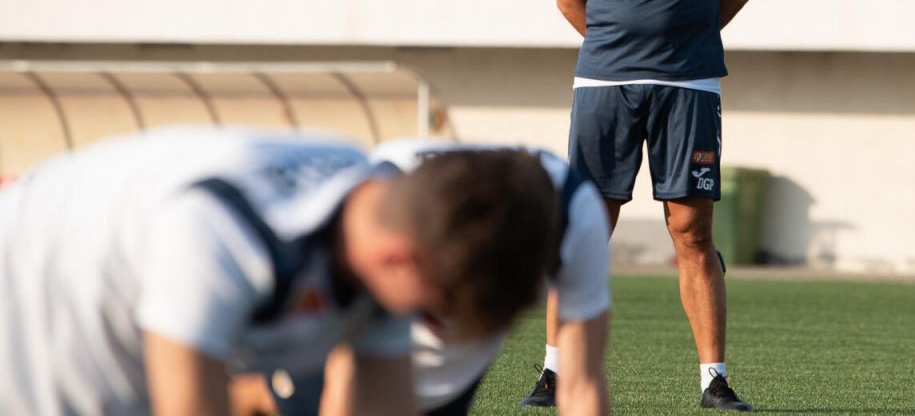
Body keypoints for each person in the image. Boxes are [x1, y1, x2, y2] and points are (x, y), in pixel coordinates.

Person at [0, 126, 557, 416]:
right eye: (433, 311)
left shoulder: (380, 240)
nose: (429, 326)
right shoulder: (219, 231)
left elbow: (382, 403)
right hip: (29, 303)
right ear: (398, 259)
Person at [538, 0, 755, 411]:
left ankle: (713, 379)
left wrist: (679, 45)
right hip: (605, 86)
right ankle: (552, 371)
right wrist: (618, 46)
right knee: (583, 228)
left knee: (692, 232)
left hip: (688, 85)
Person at [297, 137, 612, 416]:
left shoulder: (574, 216)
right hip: (332, 353)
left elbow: (581, 384)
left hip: (448, 385)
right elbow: (344, 372)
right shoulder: (379, 204)